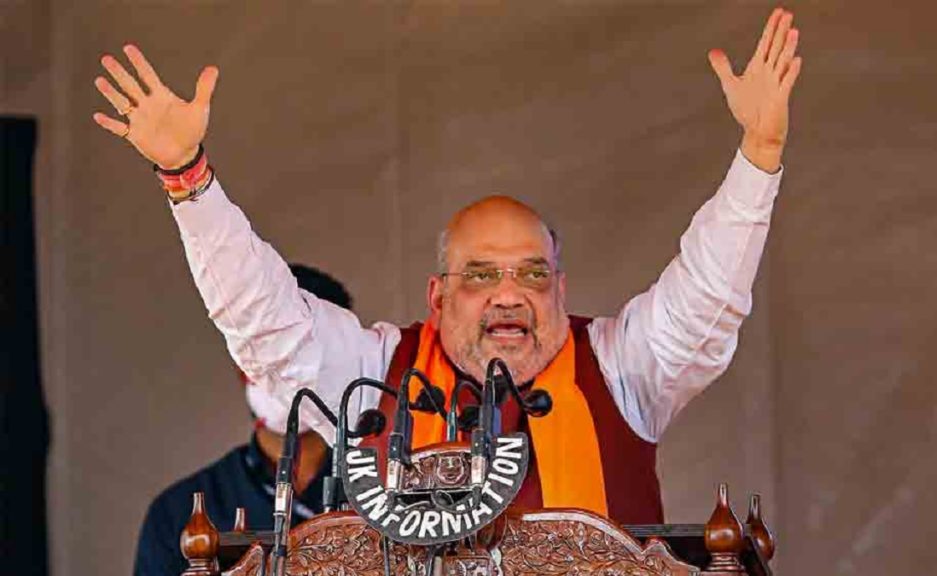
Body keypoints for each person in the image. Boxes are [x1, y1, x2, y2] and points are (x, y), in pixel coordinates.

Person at [95, 8, 802, 525]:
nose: (509, 295)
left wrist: (759, 157)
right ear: (437, 296)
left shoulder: (620, 369)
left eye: (532, 274)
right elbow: (267, 324)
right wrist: (187, 177)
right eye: (481, 274)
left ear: (561, 290)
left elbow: (705, 301)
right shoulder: (379, 372)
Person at [132, 265, 352, 576]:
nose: (286, 372)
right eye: (267, 351)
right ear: (241, 363)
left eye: (306, 352)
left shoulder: (385, 497)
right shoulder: (181, 516)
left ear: (344, 362)